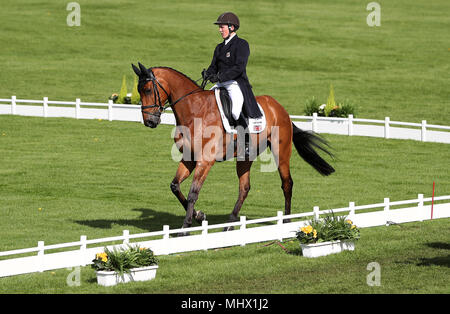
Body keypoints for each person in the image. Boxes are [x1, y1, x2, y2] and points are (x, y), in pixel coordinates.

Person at [202, 12, 262, 124]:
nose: (220, 30)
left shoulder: (242, 44)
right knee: (204, 105)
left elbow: (239, 68)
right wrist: (208, 74)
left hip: (235, 84)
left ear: (231, 27)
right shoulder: (219, 47)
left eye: (222, 27)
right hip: (221, 84)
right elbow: (213, 66)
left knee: (234, 112)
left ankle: (245, 138)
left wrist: (220, 77)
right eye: (219, 28)